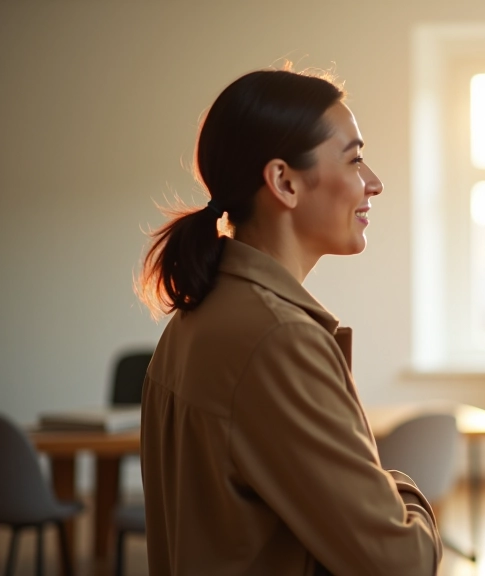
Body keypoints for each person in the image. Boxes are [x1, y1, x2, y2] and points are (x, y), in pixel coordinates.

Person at [136, 69, 441, 575]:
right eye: (354, 159)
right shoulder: (279, 339)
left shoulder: (197, 315)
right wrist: (394, 486)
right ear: (284, 182)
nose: (374, 182)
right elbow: (402, 562)